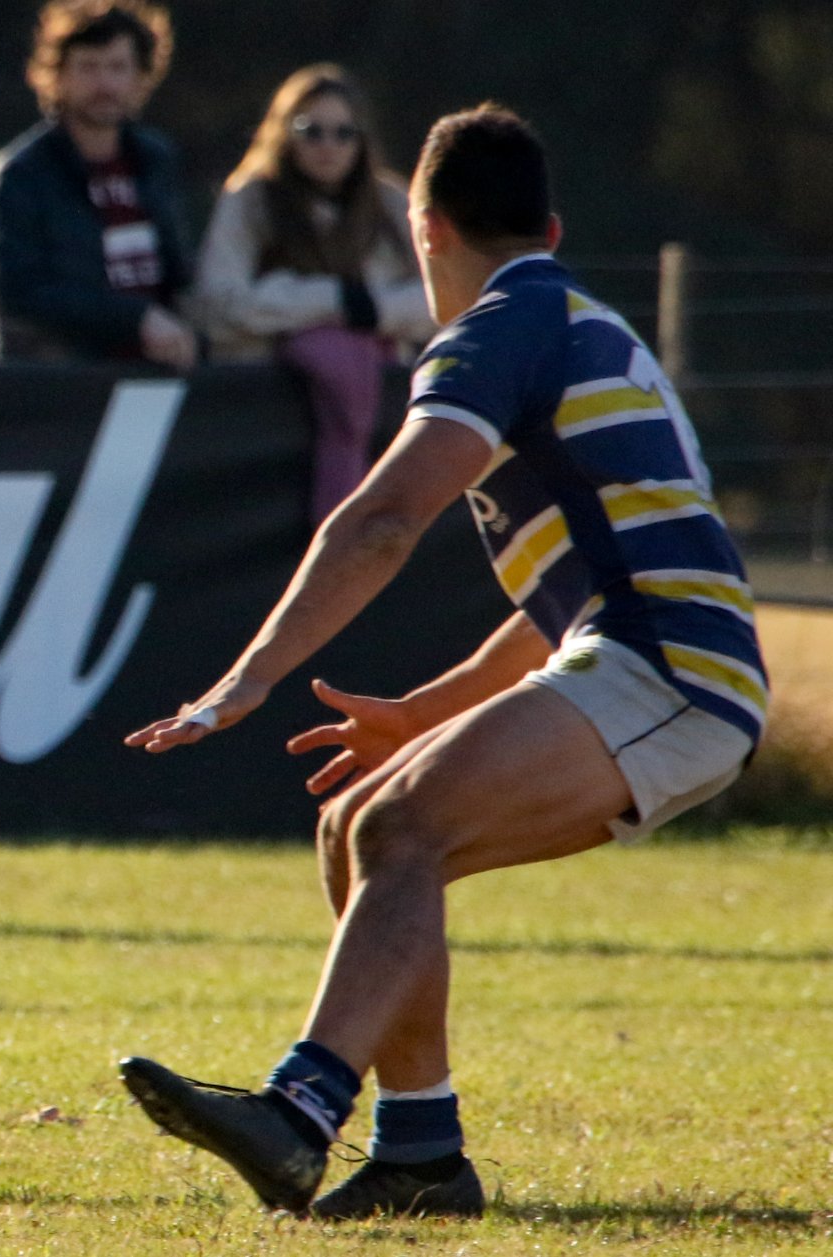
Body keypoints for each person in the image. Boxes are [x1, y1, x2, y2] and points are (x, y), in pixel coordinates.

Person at [115, 105, 766, 1221]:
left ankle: (299, 1107)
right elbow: (563, 601)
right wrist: (424, 710)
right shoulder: (573, 319)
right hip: (643, 650)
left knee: (400, 827)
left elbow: (382, 519)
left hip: (669, 668)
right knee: (358, 824)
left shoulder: (499, 328)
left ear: (424, 230)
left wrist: (249, 676)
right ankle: (419, 1153)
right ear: (549, 230)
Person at [195, 64, 436, 524]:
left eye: (343, 133)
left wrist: (373, 310)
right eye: (312, 131)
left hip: (385, 416)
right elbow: (219, 303)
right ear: (284, 133)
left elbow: (446, 301)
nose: (328, 145)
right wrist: (337, 303)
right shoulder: (251, 199)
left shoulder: (390, 203)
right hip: (267, 419)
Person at [0, 0, 196, 369]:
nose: (104, 84)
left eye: (118, 67)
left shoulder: (156, 159)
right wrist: (135, 319)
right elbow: (21, 294)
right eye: (88, 67)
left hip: (155, 371)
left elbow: (178, 272)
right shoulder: (21, 173)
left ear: (141, 77)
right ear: (57, 76)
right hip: (60, 379)